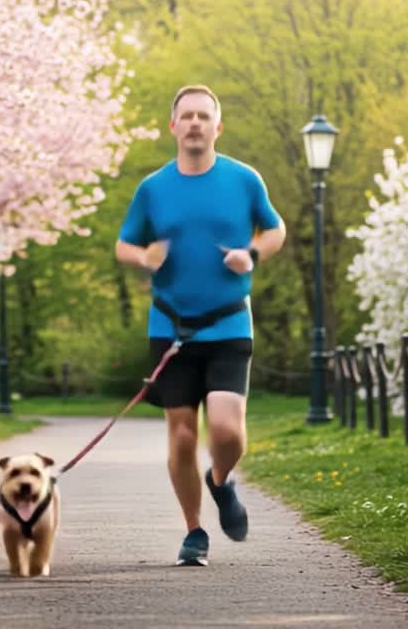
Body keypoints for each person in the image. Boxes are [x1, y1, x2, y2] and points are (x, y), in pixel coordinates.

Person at [115, 84, 286, 566]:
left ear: (217, 126)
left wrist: (249, 254)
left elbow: (276, 229)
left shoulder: (244, 180)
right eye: (186, 116)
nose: (194, 123)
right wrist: (144, 256)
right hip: (171, 328)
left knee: (228, 432)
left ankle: (220, 483)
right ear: (173, 126)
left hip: (230, 323)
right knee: (184, 435)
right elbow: (124, 245)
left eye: (203, 116)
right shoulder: (152, 188)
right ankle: (194, 532)